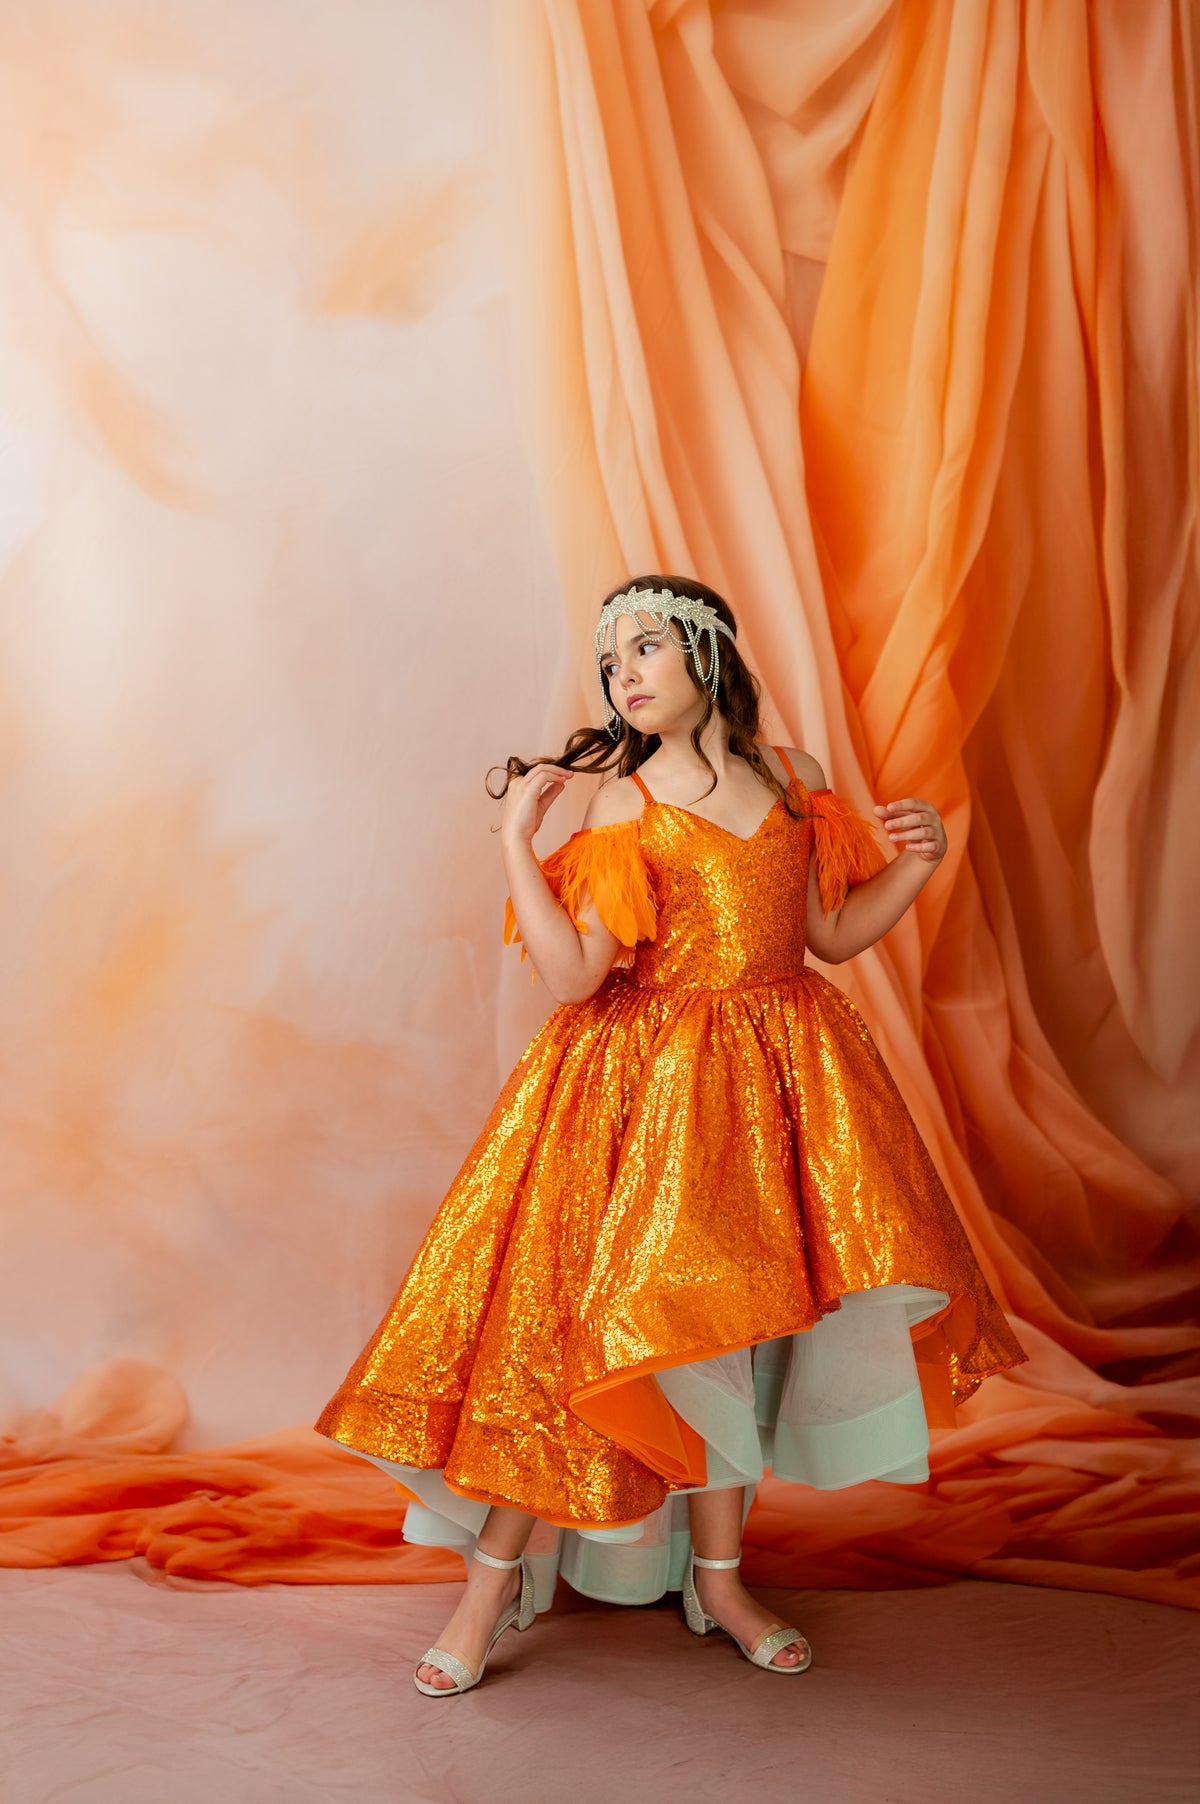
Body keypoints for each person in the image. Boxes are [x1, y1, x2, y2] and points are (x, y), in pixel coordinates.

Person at [315, 576, 1026, 1695]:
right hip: (644, 1093)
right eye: (611, 662)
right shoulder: (624, 803)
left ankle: (722, 1581)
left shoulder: (793, 780)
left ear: (707, 652)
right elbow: (572, 975)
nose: (624, 676)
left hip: (777, 1084)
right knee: (578, 1332)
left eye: (645, 648)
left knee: (738, 1328)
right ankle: (491, 1587)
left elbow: (831, 933)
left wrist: (920, 863)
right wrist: (518, 844)